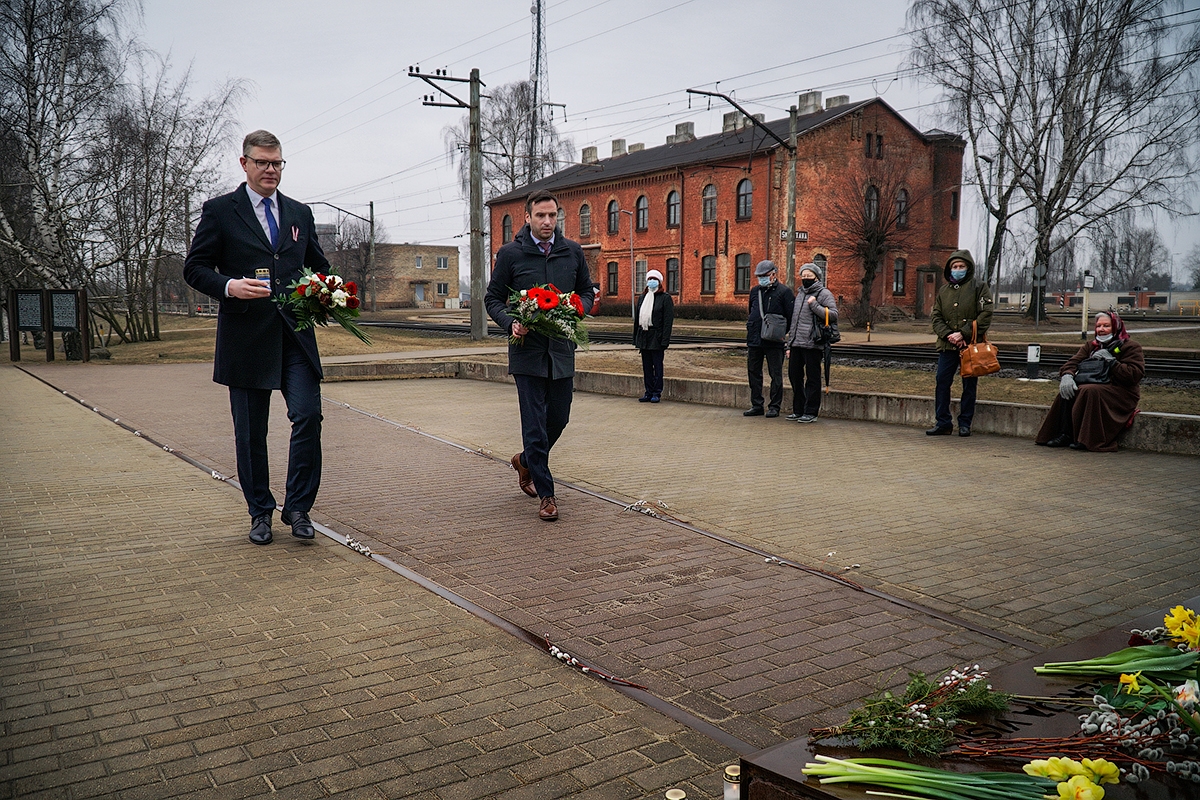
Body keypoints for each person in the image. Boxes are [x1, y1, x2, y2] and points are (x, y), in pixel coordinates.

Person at [183, 130, 328, 545]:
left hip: (295, 337)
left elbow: (317, 266)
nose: (270, 170)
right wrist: (229, 286)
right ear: (244, 163)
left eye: (277, 163)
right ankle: (260, 512)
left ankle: (298, 507)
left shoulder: (299, 213)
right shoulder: (219, 212)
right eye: (262, 162)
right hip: (246, 339)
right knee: (251, 432)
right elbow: (195, 268)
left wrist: (324, 290)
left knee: (308, 417)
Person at [485, 189, 594, 522]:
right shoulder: (511, 254)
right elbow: (493, 298)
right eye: (541, 216)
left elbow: (588, 292)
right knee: (534, 427)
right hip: (527, 354)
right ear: (528, 217)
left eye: (553, 215)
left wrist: (578, 309)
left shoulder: (572, 252)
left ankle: (525, 462)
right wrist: (510, 322)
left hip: (561, 351)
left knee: (558, 419)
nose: (548, 221)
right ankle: (547, 494)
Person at [1035, 311, 1144, 452]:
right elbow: (1072, 363)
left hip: (1121, 392)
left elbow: (1134, 375)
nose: (1101, 329)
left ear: (1116, 327)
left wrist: (1112, 362)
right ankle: (1064, 434)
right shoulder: (1091, 345)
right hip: (1096, 385)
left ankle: (1089, 439)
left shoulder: (1130, 346)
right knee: (1068, 390)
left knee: (1089, 390)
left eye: (1106, 326)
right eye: (1098, 326)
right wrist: (1067, 376)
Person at [927, 249, 993, 437]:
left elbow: (986, 314)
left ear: (968, 267)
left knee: (969, 385)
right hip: (947, 346)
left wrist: (963, 334)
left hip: (970, 346)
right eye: (954, 267)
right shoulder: (943, 291)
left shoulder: (979, 287)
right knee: (942, 382)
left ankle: (965, 423)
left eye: (961, 266)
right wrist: (948, 334)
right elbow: (936, 316)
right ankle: (943, 422)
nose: (957, 269)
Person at [785, 262, 838, 422]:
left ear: (816, 277)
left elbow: (833, 314)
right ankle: (798, 410)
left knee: (813, 378)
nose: (806, 278)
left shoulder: (824, 293)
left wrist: (814, 305)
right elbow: (794, 321)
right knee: (794, 376)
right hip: (796, 343)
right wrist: (789, 344)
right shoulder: (800, 294)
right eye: (803, 276)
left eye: (809, 276)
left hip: (813, 343)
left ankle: (811, 411)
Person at [744, 260, 795, 418]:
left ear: (774, 274)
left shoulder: (784, 292)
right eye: (759, 277)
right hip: (754, 339)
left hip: (774, 341)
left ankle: (774, 406)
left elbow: (791, 317)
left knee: (776, 374)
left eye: (764, 276)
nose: (761, 279)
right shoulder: (755, 291)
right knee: (753, 372)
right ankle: (757, 405)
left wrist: (782, 335)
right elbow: (751, 310)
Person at [633, 268, 674, 403]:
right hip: (644, 336)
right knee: (646, 367)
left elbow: (668, 321)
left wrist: (664, 340)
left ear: (659, 282)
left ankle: (657, 392)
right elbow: (638, 320)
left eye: (654, 280)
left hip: (656, 337)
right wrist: (635, 338)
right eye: (649, 279)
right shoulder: (642, 298)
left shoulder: (665, 298)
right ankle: (648, 391)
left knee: (657, 366)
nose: (651, 282)